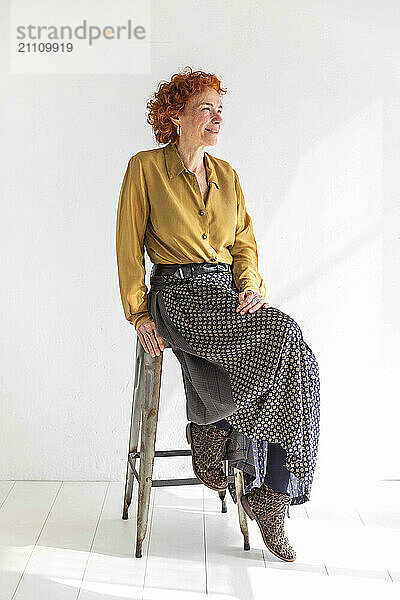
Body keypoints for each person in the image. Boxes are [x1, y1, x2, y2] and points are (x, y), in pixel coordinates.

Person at [116, 66, 321, 562]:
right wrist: (139, 314)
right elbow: (127, 247)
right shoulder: (145, 167)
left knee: (300, 361)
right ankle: (215, 431)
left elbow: (244, 242)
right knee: (282, 344)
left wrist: (250, 286)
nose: (216, 120)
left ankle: (268, 490)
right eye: (205, 109)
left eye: (220, 111)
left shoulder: (227, 175)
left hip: (226, 293)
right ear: (175, 116)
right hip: (179, 295)